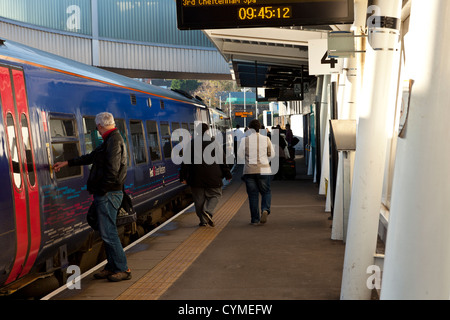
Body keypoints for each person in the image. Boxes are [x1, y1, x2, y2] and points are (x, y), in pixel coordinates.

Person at [53, 112, 131, 282]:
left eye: (97, 127)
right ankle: (112, 266)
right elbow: (92, 157)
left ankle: (123, 268)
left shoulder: (114, 141)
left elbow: (112, 169)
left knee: (109, 233)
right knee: (105, 232)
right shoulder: (110, 140)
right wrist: (67, 163)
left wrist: (102, 190)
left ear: (100, 127)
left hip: (109, 193)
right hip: (107, 193)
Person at [180, 123, 232, 227]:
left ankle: (203, 221)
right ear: (207, 131)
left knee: (199, 200)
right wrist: (227, 173)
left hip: (196, 177)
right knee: (216, 195)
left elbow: (185, 162)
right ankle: (208, 211)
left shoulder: (192, 144)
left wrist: (183, 177)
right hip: (213, 176)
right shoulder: (214, 143)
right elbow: (222, 159)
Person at [238, 119, 275, 225]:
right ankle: (265, 209)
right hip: (264, 169)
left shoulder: (245, 140)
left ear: (249, 129)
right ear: (260, 128)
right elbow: (271, 154)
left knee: (253, 195)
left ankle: (255, 219)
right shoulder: (266, 139)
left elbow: (240, 155)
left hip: (249, 171)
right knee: (266, 192)